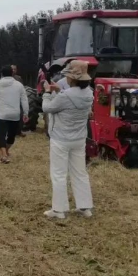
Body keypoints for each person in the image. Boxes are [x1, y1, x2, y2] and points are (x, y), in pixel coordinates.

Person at [42, 60, 94, 219]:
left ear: (72, 78)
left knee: (58, 174)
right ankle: (84, 207)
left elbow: (47, 108)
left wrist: (47, 93)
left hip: (61, 139)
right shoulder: (89, 94)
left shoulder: (66, 96)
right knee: (80, 172)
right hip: (79, 139)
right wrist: (59, 91)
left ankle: (59, 210)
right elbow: (72, 99)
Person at [0, 65, 29, 164]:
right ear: (12, 73)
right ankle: (6, 151)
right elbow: (24, 100)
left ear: (2, 74)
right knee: (11, 136)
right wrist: (26, 113)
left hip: (2, 115)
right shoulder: (19, 85)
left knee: (1, 135)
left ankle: (4, 154)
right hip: (15, 115)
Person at [12, 65, 27, 137]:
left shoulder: (19, 78)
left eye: (14, 69)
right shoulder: (5, 78)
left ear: (16, 70)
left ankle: (19, 131)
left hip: (18, 99)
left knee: (20, 115)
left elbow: (22, 89)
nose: (13, 70)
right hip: (10, 99)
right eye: (12, 69)